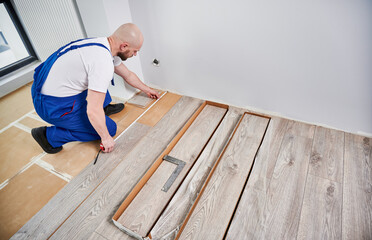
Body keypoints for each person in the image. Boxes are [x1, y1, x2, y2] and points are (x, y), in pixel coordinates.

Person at [31, 23, 159, 154]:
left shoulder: (102, 45)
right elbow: (92, 110)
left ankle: (103, 109)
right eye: (135, 51)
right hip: (51, 105)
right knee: (110, 129)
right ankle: (49, 136)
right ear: (124, 46)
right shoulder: (102, 63)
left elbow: (128, 75)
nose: (135, 54)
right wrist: (106, 138)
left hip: (47, 87)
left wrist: (147, 89)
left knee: (97, 82)